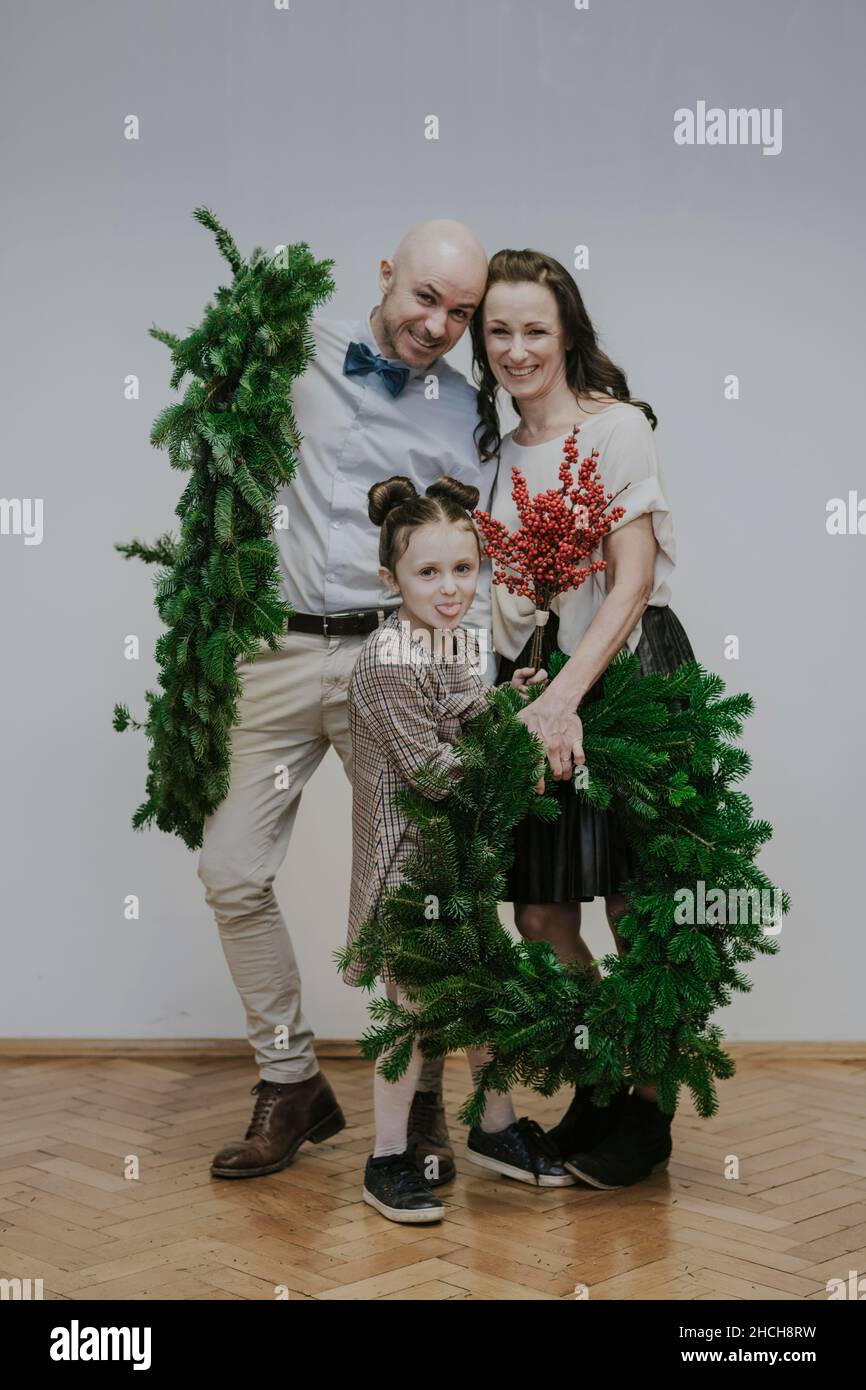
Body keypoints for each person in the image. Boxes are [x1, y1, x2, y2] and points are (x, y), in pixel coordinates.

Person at [199, 220, 497, 1183]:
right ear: (384, 277)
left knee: (417, 889)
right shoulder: (289, 349)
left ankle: (421, 1102)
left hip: (397, 656)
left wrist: (476, 671)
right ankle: (290, 1081)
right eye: (424, 299)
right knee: (232, 869)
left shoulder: (469, 413)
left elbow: (473, 563)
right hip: (275, 648)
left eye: (460, 312)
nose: (438, 325)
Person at [471, 248, 695, 1189]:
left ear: (567, 335)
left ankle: (649, 1113)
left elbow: (632, 578)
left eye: (535, 331)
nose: (517, 349)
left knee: (635, 905)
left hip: (624, 675)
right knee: (542, 912)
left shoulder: (617, 430)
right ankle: (608, 1072)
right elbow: (506, 597)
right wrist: (527, 682)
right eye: (499, 332)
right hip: (540, 691)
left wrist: (568, 694)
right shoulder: (494, 453)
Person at [346, 474, 574, 1223]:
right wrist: (519, 762)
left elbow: (467, 713)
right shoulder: (386, 663)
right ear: (391, 578)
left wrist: (515, 700)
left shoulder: (448, 640)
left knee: (480, 997)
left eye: (464, 569)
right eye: (428, 572)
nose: (450, 588)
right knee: (411, 1014)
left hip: (461, 860)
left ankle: (496, 1128)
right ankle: (386, 1158)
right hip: (408, 865)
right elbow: (437, 772)